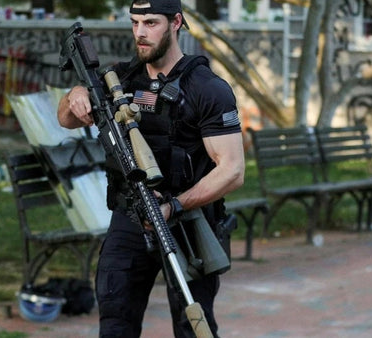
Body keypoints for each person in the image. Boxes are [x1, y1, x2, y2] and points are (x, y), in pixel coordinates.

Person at [57, 0, 245, 336]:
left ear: (176, 23)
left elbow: (232, 170)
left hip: (189, 224)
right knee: (115, 324)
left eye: (151, 23)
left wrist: (174, 205)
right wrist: (76, 93)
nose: (140, 33)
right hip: (130, 220)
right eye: (135, 23)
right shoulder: (120, 79)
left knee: (193, 327)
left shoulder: (207, 89)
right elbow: (65, 118)